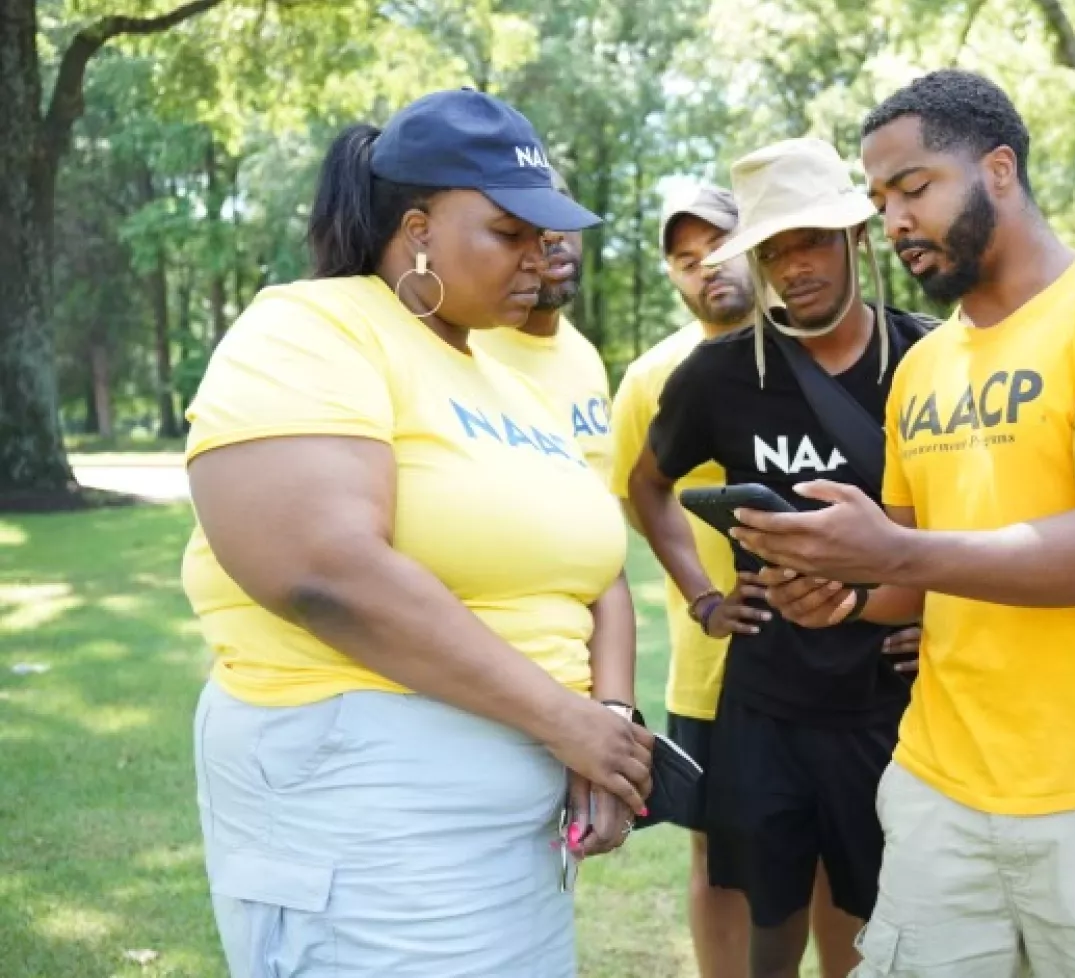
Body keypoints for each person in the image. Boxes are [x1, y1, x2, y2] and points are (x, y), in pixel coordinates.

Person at [734, 70, 1075, 977]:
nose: (895, 222)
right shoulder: (923, 369)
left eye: (914, 188)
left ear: (999, 169)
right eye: (880, 201)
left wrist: (892, 549)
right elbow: (913, 583)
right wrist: (837, 593)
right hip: (934, 790)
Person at [181, 88, 653, 978]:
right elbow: (325, 570)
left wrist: (610, 728)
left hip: (522, 831)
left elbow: (598, 568)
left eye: (546, 234)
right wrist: (566, 721)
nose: (541, 257)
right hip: (370, 815)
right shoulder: (309, 326)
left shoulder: (506, 381)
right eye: (509, 234)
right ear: (419, 227)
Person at [625, 138, 928, 978]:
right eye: (773, 250)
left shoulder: (928, 358)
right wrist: (702, 598)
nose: (794, 266)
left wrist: (941, 614)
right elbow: (648, 485)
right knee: (769, 917)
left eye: (812, 241)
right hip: (768, 701)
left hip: (893, 698)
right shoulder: (717, 375)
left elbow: (982, 514)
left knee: (882, 921)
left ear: (855, 240)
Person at [608, 183, 758, 976]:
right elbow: (637, 495)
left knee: (838, 853)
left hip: (841, 660)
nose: (707, 271)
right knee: (720, 858)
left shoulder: (819, 348)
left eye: (722, 249)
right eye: (685, 259)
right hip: (713, 675)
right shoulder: (651, 377)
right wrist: (703, 592)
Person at [474, 173, 613, 481]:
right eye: (529, 219)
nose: (552, 234)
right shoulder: (459, 345)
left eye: (561, 209)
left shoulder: (586, 357)